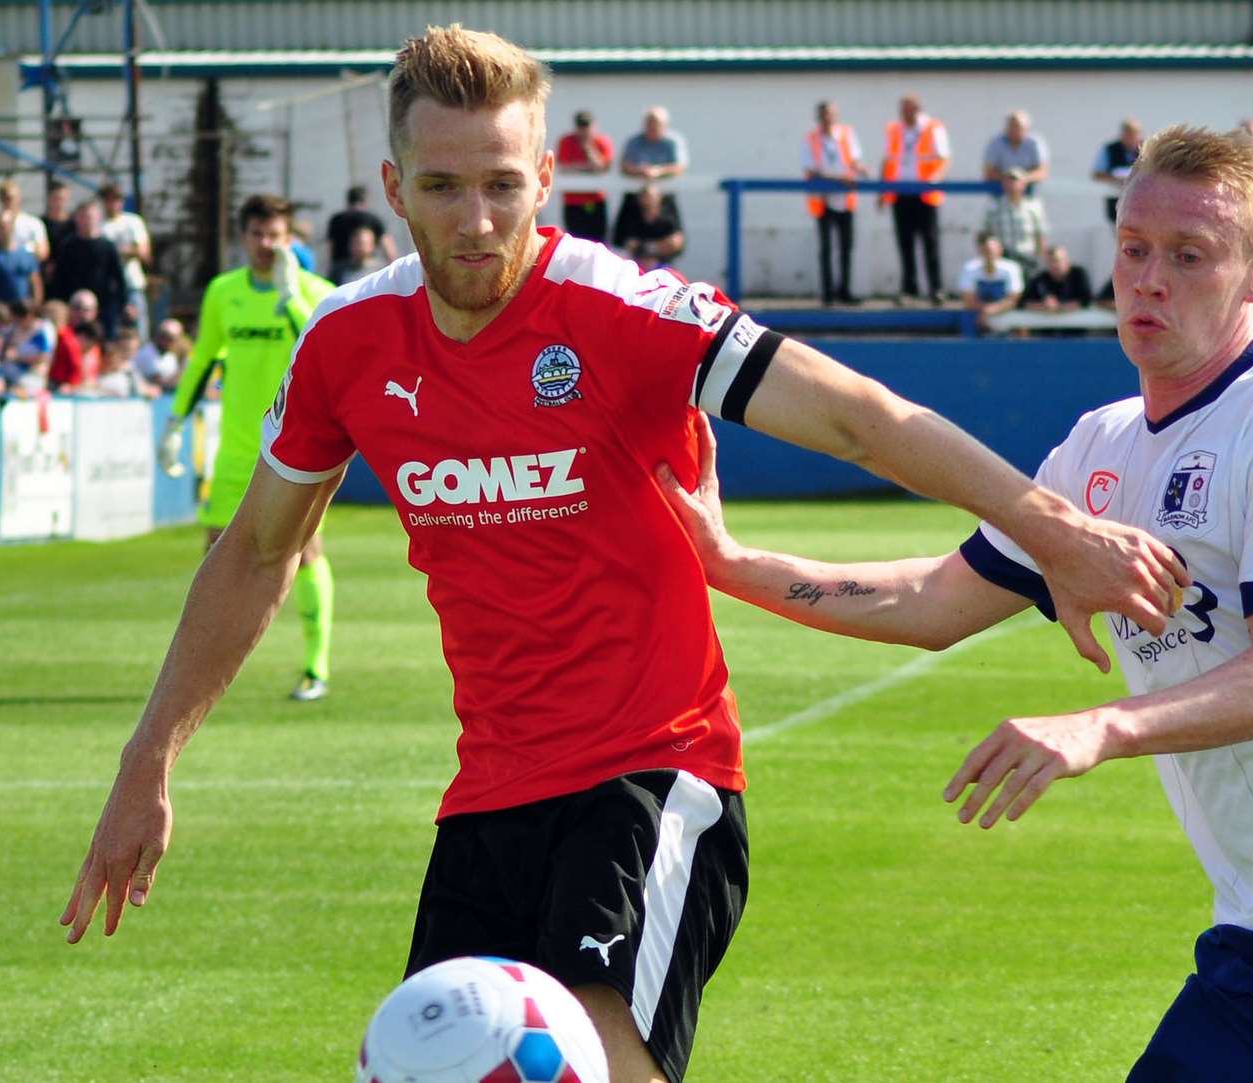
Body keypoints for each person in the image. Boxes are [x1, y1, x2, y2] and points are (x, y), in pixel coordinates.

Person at [57, 27, 1184, 1083]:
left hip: (652, 776)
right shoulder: (346, 342)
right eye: (443, 187)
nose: (477, 219)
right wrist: (147, 757)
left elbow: (863, 419)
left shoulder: (627, 311)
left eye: (504, 184)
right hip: (487, 798)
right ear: (393, 190)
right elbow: (260, 553)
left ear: (545, 181)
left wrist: (1055, 530)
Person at [659, 123, 1253, 1083]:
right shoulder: (1098, 449)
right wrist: (729, 562)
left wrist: (1098, 727)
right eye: (1134, 249)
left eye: (1187, 256)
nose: (1149, 279)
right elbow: (932, 599)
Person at [160, 193, 339, 699]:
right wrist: (177, 420)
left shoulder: (318, 293)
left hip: (300, 449)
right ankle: (206, 671)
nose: (266, 244)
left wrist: (291, 301)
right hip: (238, 448)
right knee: (216, 556)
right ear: (244, 238)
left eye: (276, 236)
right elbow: (203, 359)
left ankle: (315, 666)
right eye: (258, 235)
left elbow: (326, 349)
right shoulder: (223, 291)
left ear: (290, 239)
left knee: (305, 553)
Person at [880, 94, 951, 305]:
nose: (905, 113)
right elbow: (888, 160)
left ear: (918, 108)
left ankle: (935, 288)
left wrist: (935, 178)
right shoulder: (894, 129)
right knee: (905, 242)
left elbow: (944, 157)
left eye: (909, 108)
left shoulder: (932, 127)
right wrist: (882, 190)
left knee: (930, 241)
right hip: (901, 192)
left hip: (925, 193)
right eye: (903, 109)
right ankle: (909, 289)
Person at [803, 100, 867, 305]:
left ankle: (844, 290)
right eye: (823, 115)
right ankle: (828, 293)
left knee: (846, 246)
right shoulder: (811, 139)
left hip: (845, 199)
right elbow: (811, 170)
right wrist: (839, 179)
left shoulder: (847, 134)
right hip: (823, 199)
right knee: (826, 247)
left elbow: (854, 159)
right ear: (818, 117)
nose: (827, 118)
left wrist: (861, 169)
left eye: (830, 114)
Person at [50, 200, 127, 338]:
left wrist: (123, 304)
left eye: (89, 217)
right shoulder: (68, 246)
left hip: (102, 307)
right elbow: (59, 278)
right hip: (73, 308)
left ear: (97, 218)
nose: (86, 221)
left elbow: (119, 278)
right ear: (76, 219)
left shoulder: (107, 247)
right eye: (82, 217)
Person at [616, 106, 689, 248]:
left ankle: (659, 264)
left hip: (664, 198)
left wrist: (658, 171)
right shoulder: (634, 141)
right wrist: (641, 171)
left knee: (673, 241)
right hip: (635, 198)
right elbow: (624, 166)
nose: (652, 128)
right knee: (628, 240)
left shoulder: (672, 142)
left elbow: (680, 167)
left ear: (665, 126)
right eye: (649, 124)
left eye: (656, 125)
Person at [99, 183, 153, 336]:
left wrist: (117, 253)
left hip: (132, 284)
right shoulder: (99, 225)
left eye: (117, 200)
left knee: (138, 329)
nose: (114, 204)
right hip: (109, 287)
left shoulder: (133, 222)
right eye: (110, 200)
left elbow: (143, 252)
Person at [555, 110, 615, 243]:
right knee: (575, 242)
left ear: (594, 126)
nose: (583, 130)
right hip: (573, 202)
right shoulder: (566, 141)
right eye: (580, 126)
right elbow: (564, 167)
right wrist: (587, 168)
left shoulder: (602, 142)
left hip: (596, 200)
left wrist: (588, 148)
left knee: (599, 242)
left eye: (587, 126)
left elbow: (601, 167)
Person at [983, 167, 1047, 279]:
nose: (1011, 184)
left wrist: (1040, 258)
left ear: (1023, 184)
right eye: (1007, 181)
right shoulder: (994, 207)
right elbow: (986, 234)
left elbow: (1040, 234)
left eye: (1015, 180)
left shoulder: (1033, 207)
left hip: (1027, 257)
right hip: (1003, 258)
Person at [957, 230, 1023, 333]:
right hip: (977, 317)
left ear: (1000, 250)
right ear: (979, 251)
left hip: (1004, 314)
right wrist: (985, 312)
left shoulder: (1011, 268)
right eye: (985, 250)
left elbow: (1013, 300)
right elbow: (968, 300)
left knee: (1021, 323)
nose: (989, 254)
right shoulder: (969, 269)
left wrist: (988, 311)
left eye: (991, 250)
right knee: (966, 318)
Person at [612, 184, 684, 272]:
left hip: (662, 264)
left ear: (659, 198)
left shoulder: (668, 219)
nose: (648, 201)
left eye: (651, 197)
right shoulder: (631, 217)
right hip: (635, 263)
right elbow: (625, 242)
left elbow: (675, 243)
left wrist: (647, 248)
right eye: (645, 197)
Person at [326, 184, 399, 270]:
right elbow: (388, 247)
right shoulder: (373, 219)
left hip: (341, 267)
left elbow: (330, 246)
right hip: (366, 266)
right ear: (365, 200)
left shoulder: (336, 219)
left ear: (348, 200)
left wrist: (330, 267)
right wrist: (393, 268)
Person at [1091, 117, 1144, 224]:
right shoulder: (1109, 149)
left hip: (1141, 201)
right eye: (1128, 132)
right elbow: (1096, 174)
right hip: (1115, 198)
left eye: (1134, 133)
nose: (1131, 136)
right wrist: (1115, 178)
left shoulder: (1147, 148)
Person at [982, 110, 1049, 193]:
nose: (1014, 130)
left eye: (1017, 126)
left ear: (1026, 128)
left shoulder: (1035, 143)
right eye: (1011, 126)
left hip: (1030, 195)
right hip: (1000, 195)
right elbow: (988, 172)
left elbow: (1042, 172)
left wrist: (1023, 179)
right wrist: (1010, 180)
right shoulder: (996, 143)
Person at [1022, 244, 1091, 314]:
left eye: (1057, 260)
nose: (1054, 265)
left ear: (1066, 261)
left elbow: (1087, 301)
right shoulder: (1040, 279)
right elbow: (1025, 303)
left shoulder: (1078, 275)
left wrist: (1059, 307)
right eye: (1050, 261)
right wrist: (1043, 305)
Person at [0, 177, 50, 263]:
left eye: (11, 197)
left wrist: (22, 251)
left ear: (19, 198)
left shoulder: (33, 223)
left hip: (25, 272)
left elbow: (43, 253)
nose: (8, 201)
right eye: (4, 198)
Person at [0, 210, 42, 304]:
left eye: (7, 225)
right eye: (1, 226)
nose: (5, 229)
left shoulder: (26, 253)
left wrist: (35, 304)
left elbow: (35, 282)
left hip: (24, 310)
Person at [133, 316, 187, 391]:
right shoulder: (146, 352)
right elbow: (157, 382)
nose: (166, 341)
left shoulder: (171, 356)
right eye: (163, 336)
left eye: (171, 339)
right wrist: (182, 369)